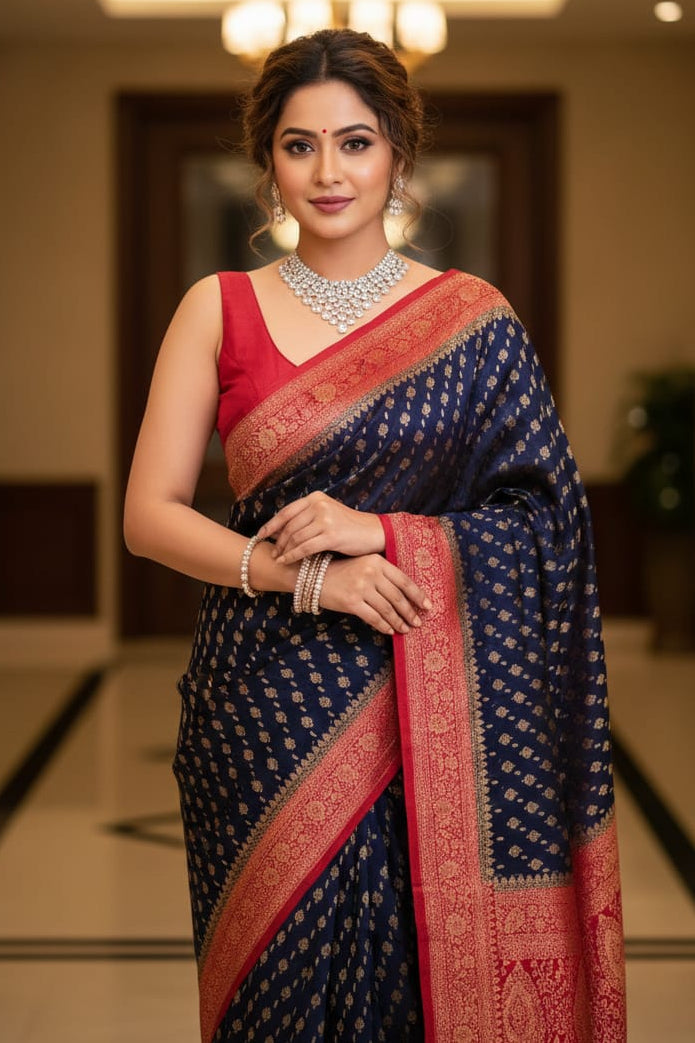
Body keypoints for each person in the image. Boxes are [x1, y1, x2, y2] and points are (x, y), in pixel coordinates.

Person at [124, 27, 626, 1043]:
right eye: (299, 144)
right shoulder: (218, 308)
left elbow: (548, 523)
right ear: (265, 159)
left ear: (397, 150)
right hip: (259, 714)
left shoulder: (471, 320)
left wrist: (382, 535)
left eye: (354, 142)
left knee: (408, 995)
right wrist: (297, 576)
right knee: (273, 1004)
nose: (328, 171)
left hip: (427, 717)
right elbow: (148, 515)